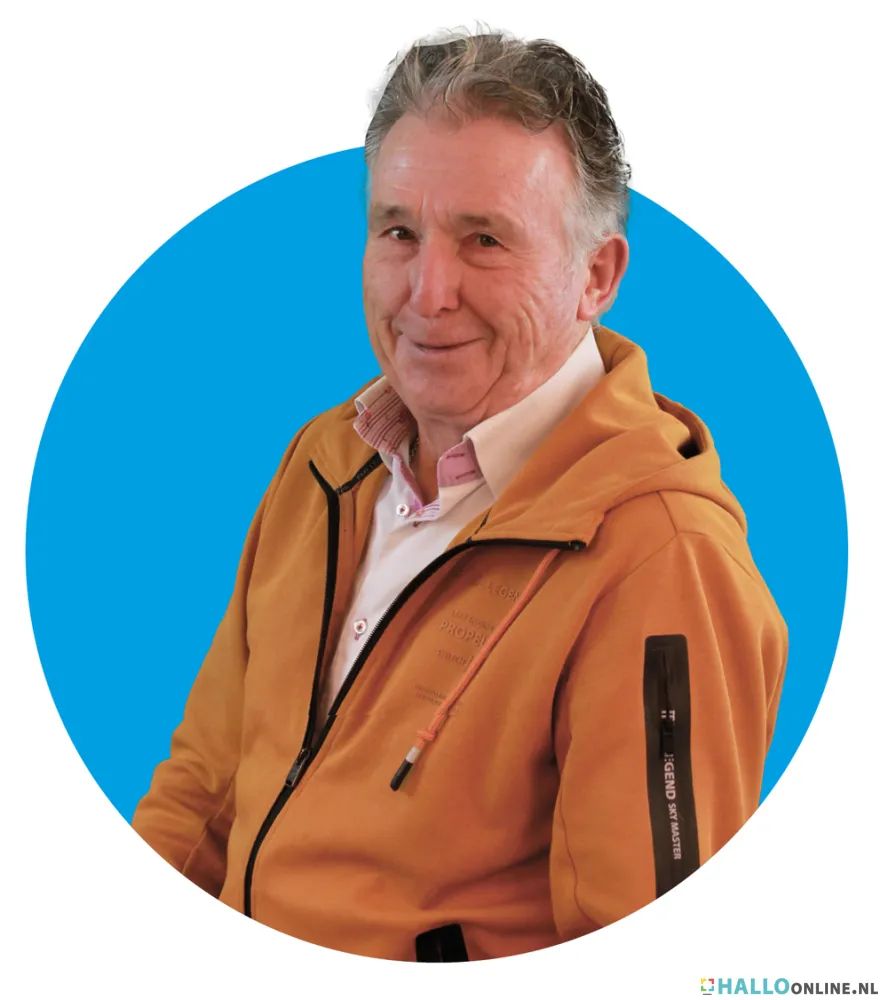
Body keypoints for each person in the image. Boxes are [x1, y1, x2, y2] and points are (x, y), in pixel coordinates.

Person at [132, 27, 788, 962]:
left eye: (485, 240)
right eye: (399, 232)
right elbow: (205, 789)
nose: (427, 291)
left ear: (596, 276)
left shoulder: (660, 561)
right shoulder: (328, 462)